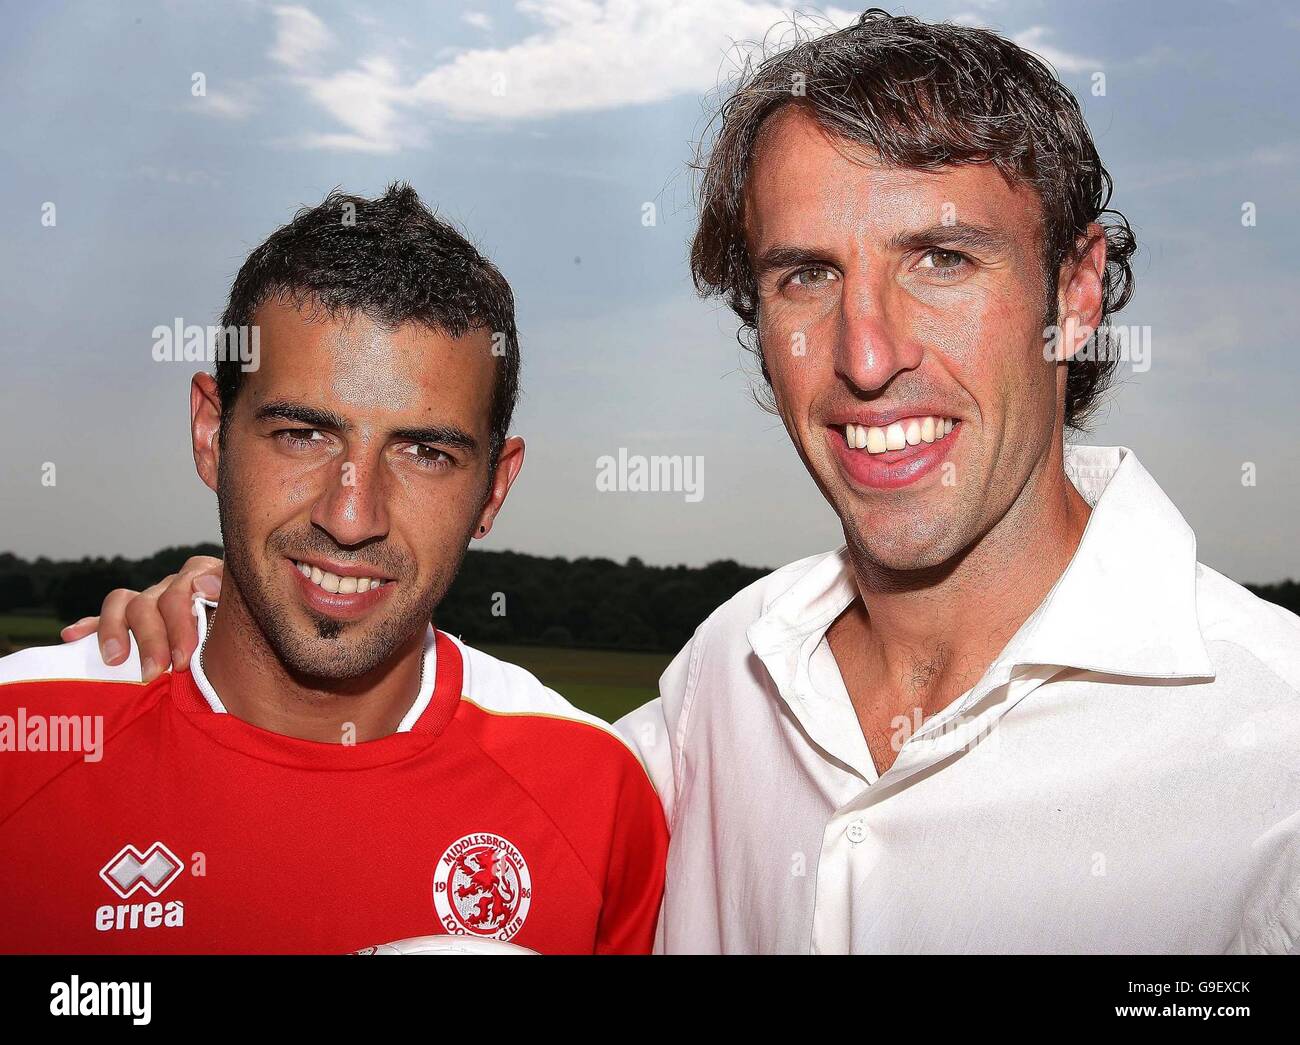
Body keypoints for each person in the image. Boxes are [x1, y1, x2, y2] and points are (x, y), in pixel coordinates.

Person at [59, 11, 1300, 955]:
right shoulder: (730, 676)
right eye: (804, 275)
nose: (867, 355)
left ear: (1074, 294)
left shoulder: (1272, 752)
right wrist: (257, 610)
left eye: (941, 257)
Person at [0, 183, 666, 954]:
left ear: (494, 488)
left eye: (425, 453)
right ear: (212, 433)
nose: (351, 517)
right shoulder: (24, 737)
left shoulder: (597, 792)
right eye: (302, 435)